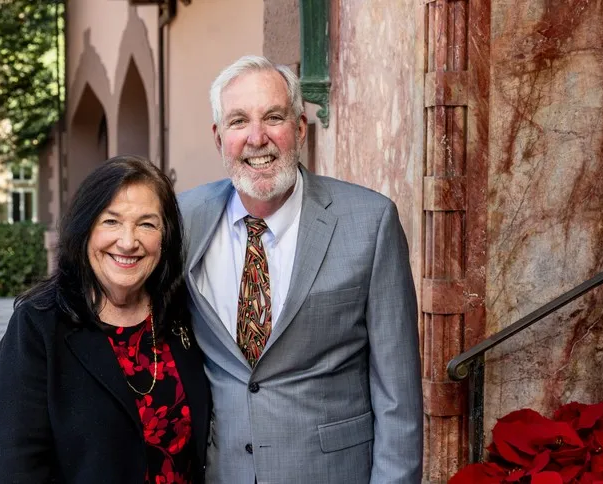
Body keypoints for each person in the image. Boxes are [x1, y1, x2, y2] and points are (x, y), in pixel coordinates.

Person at [177, 55, 423, 484]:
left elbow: (397, 395)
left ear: (300, 128)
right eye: (238, 122)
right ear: (219, 138)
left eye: (273, 117)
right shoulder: (184, 218)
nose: (257, 138)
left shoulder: (370, 222)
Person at [0, 156, 210, 483]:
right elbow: (16, 464)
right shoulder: (39, 326)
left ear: (165, 237)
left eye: (147, 224)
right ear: (85, 228)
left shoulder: (180, 312)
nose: (128, 241)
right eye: (111, 221)